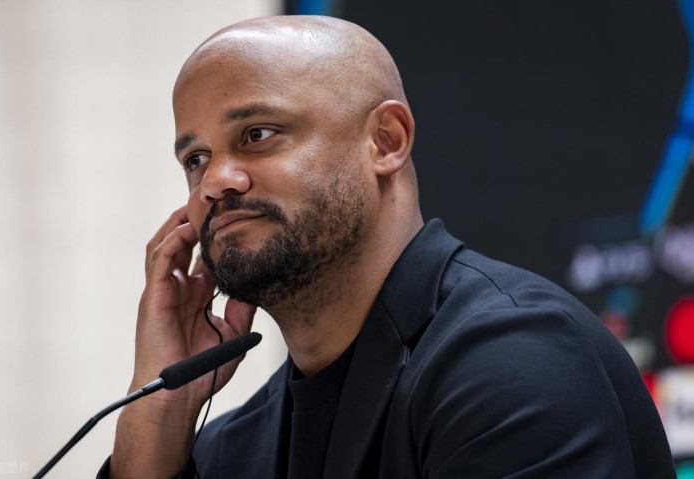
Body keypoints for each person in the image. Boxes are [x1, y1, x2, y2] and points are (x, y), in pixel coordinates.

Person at [100, 15, 675, 479]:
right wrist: (162, 412)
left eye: (257, 134)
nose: (214, 182)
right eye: (195, 158)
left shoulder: (515, 363)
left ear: (385, 140)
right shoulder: (233, 447)